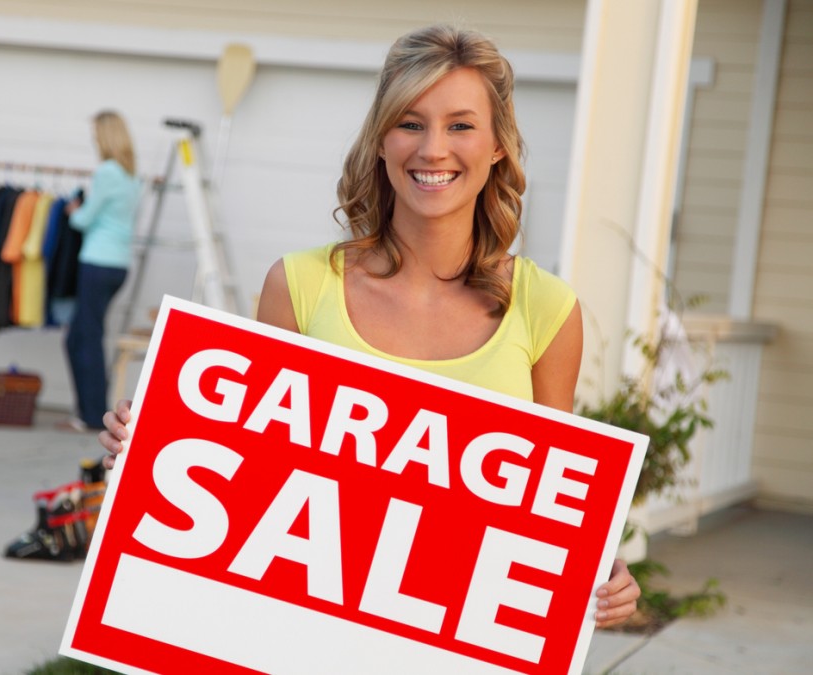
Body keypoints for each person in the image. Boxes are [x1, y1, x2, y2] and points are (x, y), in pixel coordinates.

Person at [97, 24, 640, 628]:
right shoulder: (300, 286)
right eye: (410, 123)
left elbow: (548, 518)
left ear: (496, 148)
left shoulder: (546, 308)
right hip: (306, 639)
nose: (433, 149)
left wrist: (601, 573)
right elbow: (245, 484)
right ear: (381, 141)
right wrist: (153, 447)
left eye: (460, 125)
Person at [59, 111, 142, 433]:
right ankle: (88, 412)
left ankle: (92, 416)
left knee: (86, 338)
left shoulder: (107, 172)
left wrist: (73, 211)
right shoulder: (132, 175)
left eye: (96, 135)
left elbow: (83, 220)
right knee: (82, 336)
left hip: (97, 262)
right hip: (119, 264)